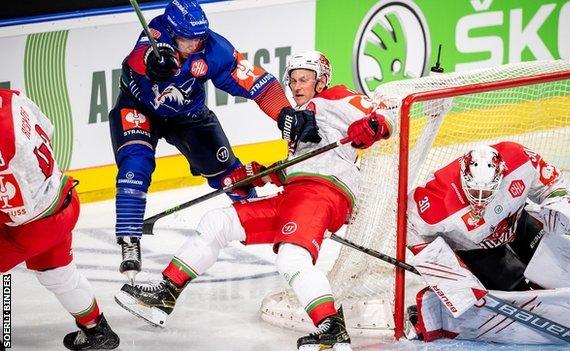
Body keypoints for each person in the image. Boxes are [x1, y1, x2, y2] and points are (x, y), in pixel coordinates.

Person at [113, 50, 394, 350]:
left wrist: (373, 127)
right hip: (295, 194)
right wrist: (262, 174)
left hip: (323, 194)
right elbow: (304, 165)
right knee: (217, 222)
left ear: (322, 81)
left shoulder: (336, 97)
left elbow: (385, 114)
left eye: (305, 79)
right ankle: (165, 296)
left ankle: (332, 329)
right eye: (294, 80)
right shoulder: (300, 120)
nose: (297, 86)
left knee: (292, 258)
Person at [109, 0, 320, 283]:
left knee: (230, 175)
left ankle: (262, 223)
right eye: (187, 39)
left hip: (189, 117)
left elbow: (259, 82)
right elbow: (138, 57)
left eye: (199, 38)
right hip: (137, 107)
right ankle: (129, 238)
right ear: (172, 33)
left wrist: (284, 113)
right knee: (135, 166)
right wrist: (152, 64)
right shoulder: (155, 36)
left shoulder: (214, 49)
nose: (195, 45)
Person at [405, 141, 570, 344]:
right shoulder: (435, 200)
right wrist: (449, 273)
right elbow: (409, 225)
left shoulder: (518, 158)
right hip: (479, 252)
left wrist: (561, 204)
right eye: (474, 190)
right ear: (463, 176)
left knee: (564, 267)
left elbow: (551, 183)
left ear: (501, 174)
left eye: (487, 190)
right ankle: (427, 311)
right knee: (525, 302)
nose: (480, 198)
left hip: (520, 226)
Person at [0, 89, 120, 350]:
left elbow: (15, 209)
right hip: (62, 195)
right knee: (58, 274)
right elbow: (48, 128)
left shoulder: (3, 148)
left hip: (34, 223)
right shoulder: (10, 97)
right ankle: (96, 331)